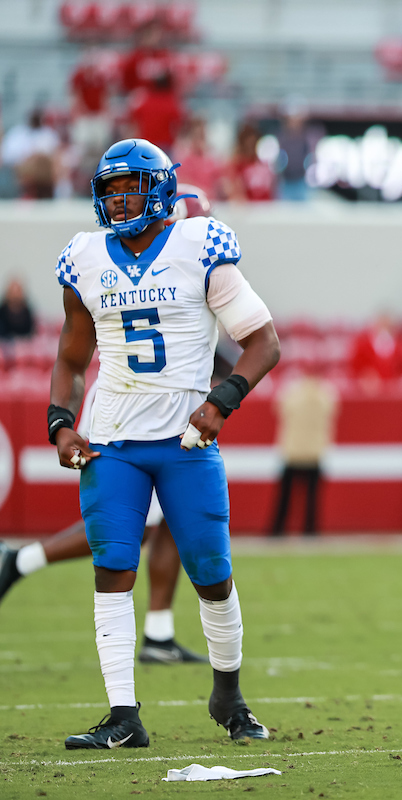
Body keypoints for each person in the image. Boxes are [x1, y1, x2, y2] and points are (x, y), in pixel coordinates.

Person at [50, 138, 279, 749]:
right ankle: (123, 715)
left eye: (131, 187)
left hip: (185, 440)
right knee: (112, 569)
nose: (119, 200)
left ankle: (229, 696)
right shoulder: (84, 257)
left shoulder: (198, 245)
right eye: (110, 190)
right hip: (112, 441)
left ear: (160, 190)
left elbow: (263, 342)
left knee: (211, 572)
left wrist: (220, 402)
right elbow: (71, 359)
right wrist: (60, 423)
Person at [0, 385, 206, 664]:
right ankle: (20, 561)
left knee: (174, 511)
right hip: (128, 403)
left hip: (171, 404)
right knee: (130, 526)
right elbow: (71, 363)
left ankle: (159, 634)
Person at [269, 369, 338, 536]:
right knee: (312, 497)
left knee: (285, 497)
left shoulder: (292, 395)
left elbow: (278, 408)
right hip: (314, 453)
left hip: (292, 452)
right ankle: (310, 529)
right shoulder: (325, 396)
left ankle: (278, 530)